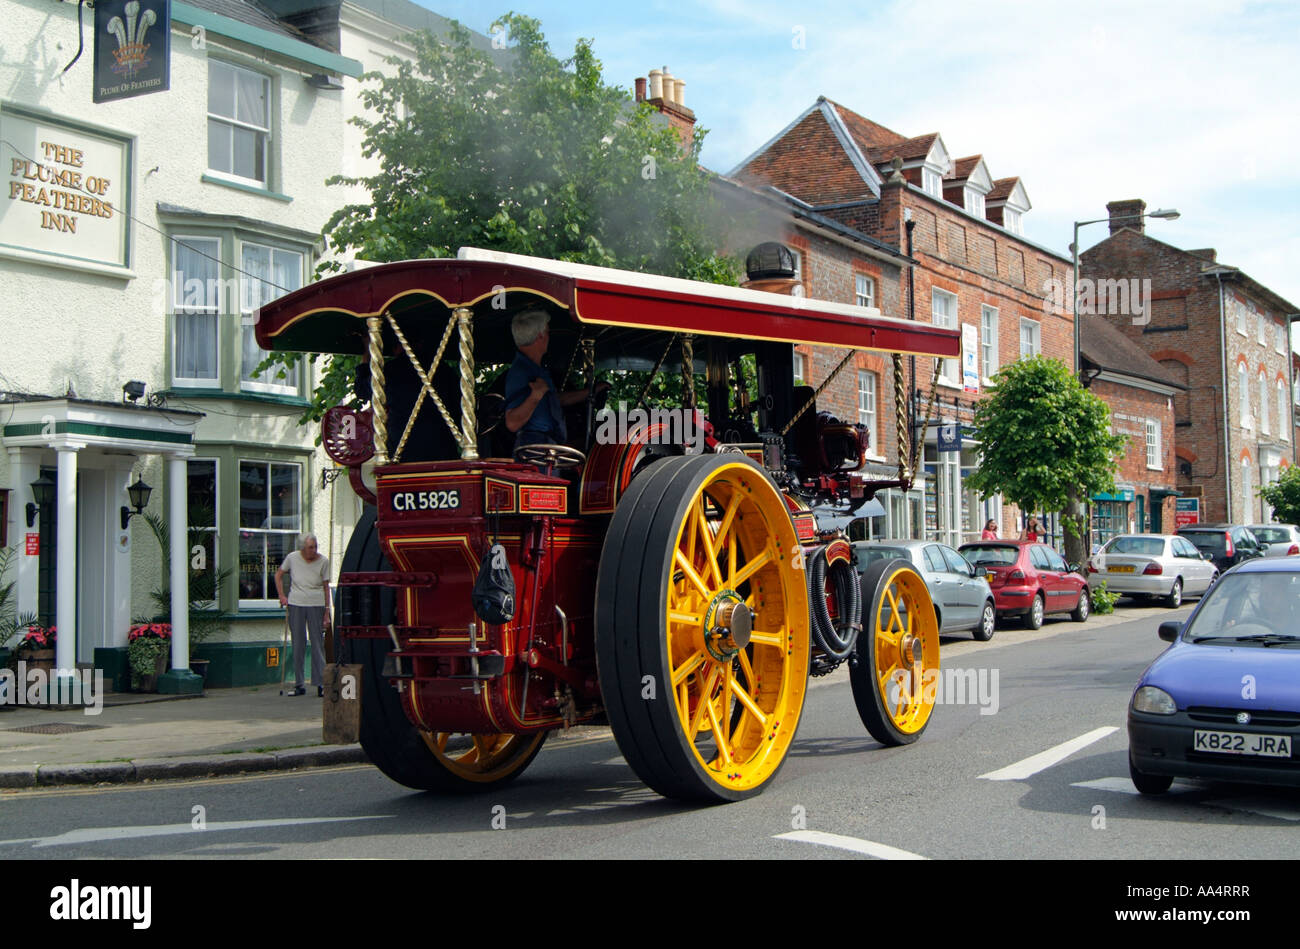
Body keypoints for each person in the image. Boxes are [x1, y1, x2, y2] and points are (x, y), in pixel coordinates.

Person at [503, 308, 606, 451]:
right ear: (540, 336)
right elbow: (512, 423)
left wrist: (591, 391)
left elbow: (556, 400)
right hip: (535, 448)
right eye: (547, 332)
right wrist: (535, 396)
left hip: (547, 445)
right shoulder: (521, 371)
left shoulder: (535, 368)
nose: (548, 337)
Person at [275, 533, 331, 697]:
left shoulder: (323, 561)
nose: (314, 551)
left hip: (316, 603)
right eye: (310, 548)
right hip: (296, 603)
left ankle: (320, 683)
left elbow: (326, 587)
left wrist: (327, 612)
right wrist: (281, 596)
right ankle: (299, 684)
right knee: (298, 643)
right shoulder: (292, 558)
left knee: (317, 643)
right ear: (302, 548)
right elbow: (278, 575)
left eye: (315, 547)